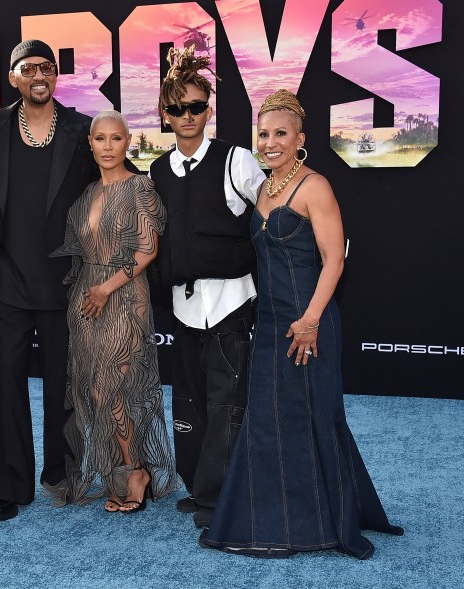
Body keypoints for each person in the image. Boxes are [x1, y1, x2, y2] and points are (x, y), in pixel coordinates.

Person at [199, 89, 403, 558]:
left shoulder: (315, 187)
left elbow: (334, 261)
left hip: (310, 321)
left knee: (313, 416)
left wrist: (310, 320)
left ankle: (326, 520)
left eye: (280, 134)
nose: (270, 142)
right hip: (270, 324)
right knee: (269, 422)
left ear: (300, 139)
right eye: (263, 134)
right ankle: (274, 519)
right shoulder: (265, 188)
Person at [0, 40, 100, 522]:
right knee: (6, 384)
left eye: (46, 67)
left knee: (63, 385)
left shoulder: (81, 128)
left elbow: (105, 191)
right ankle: (10, 487)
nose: (38, 75)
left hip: (64, 279)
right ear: (13, 77)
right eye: (28, 68)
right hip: (7, 276)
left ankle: (61, 475)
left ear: (56, 75)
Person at [148, 46, 265, 528]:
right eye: (177, 108)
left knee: (228, 405)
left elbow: (273, 216)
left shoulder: (237, 160)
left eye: (196, 106)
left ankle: (222, 497)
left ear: (208, 110)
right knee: (191, 402)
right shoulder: (157, 171)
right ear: (164, 114)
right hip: (182, 306)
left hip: (231, 303)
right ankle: (198, 488)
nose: (187, 116)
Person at [51, 110, 176, 513]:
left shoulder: (140, 187)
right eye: (100, 139)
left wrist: (105, 287)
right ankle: (119, 471)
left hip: (123, 298)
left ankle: (135, 469)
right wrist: (91, 292)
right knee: (94, 390)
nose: (108, 147)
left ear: (128, 142)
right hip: (88, 303)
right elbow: (80, 256)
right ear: (90, 143)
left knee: (112, 387)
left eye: (116, 139)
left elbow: (148, 250)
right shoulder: (86, 195)